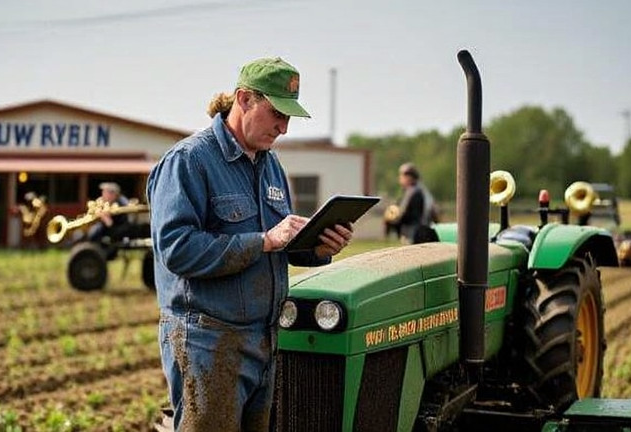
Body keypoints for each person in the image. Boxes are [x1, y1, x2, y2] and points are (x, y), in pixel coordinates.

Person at [147, 57, 353, 432]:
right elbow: (176, 249)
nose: (284, 127)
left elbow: (278, 246)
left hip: (263, 340)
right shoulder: (190, 160)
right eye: (276, 113)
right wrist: (263, 241)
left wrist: (318, 248)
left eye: (289, 118)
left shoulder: (270, 166)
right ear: (243, 99)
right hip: (208, 342)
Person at [385, 162, 438, 244]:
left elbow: (403, 213)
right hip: (420, 232)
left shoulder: (413, 191)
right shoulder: (420, 190)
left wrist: (391, 221)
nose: (400, 178)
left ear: (408, 177)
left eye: (401, 175)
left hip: (415, 234)